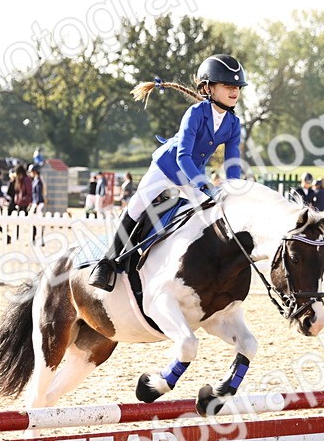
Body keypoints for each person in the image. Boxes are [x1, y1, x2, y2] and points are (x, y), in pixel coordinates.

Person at [89, 54, 247, 291]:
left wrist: (233, 189)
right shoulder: (195, 113)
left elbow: (233, 162)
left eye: (237, 87)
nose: (234, 91)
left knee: (210, 216)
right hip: (168, 166)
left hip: (192, 174)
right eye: (228, 86)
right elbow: (183, 156)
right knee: (137, 205)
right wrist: (203, 185)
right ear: (208, 88)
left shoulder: (233, 124)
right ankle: (106, 262)